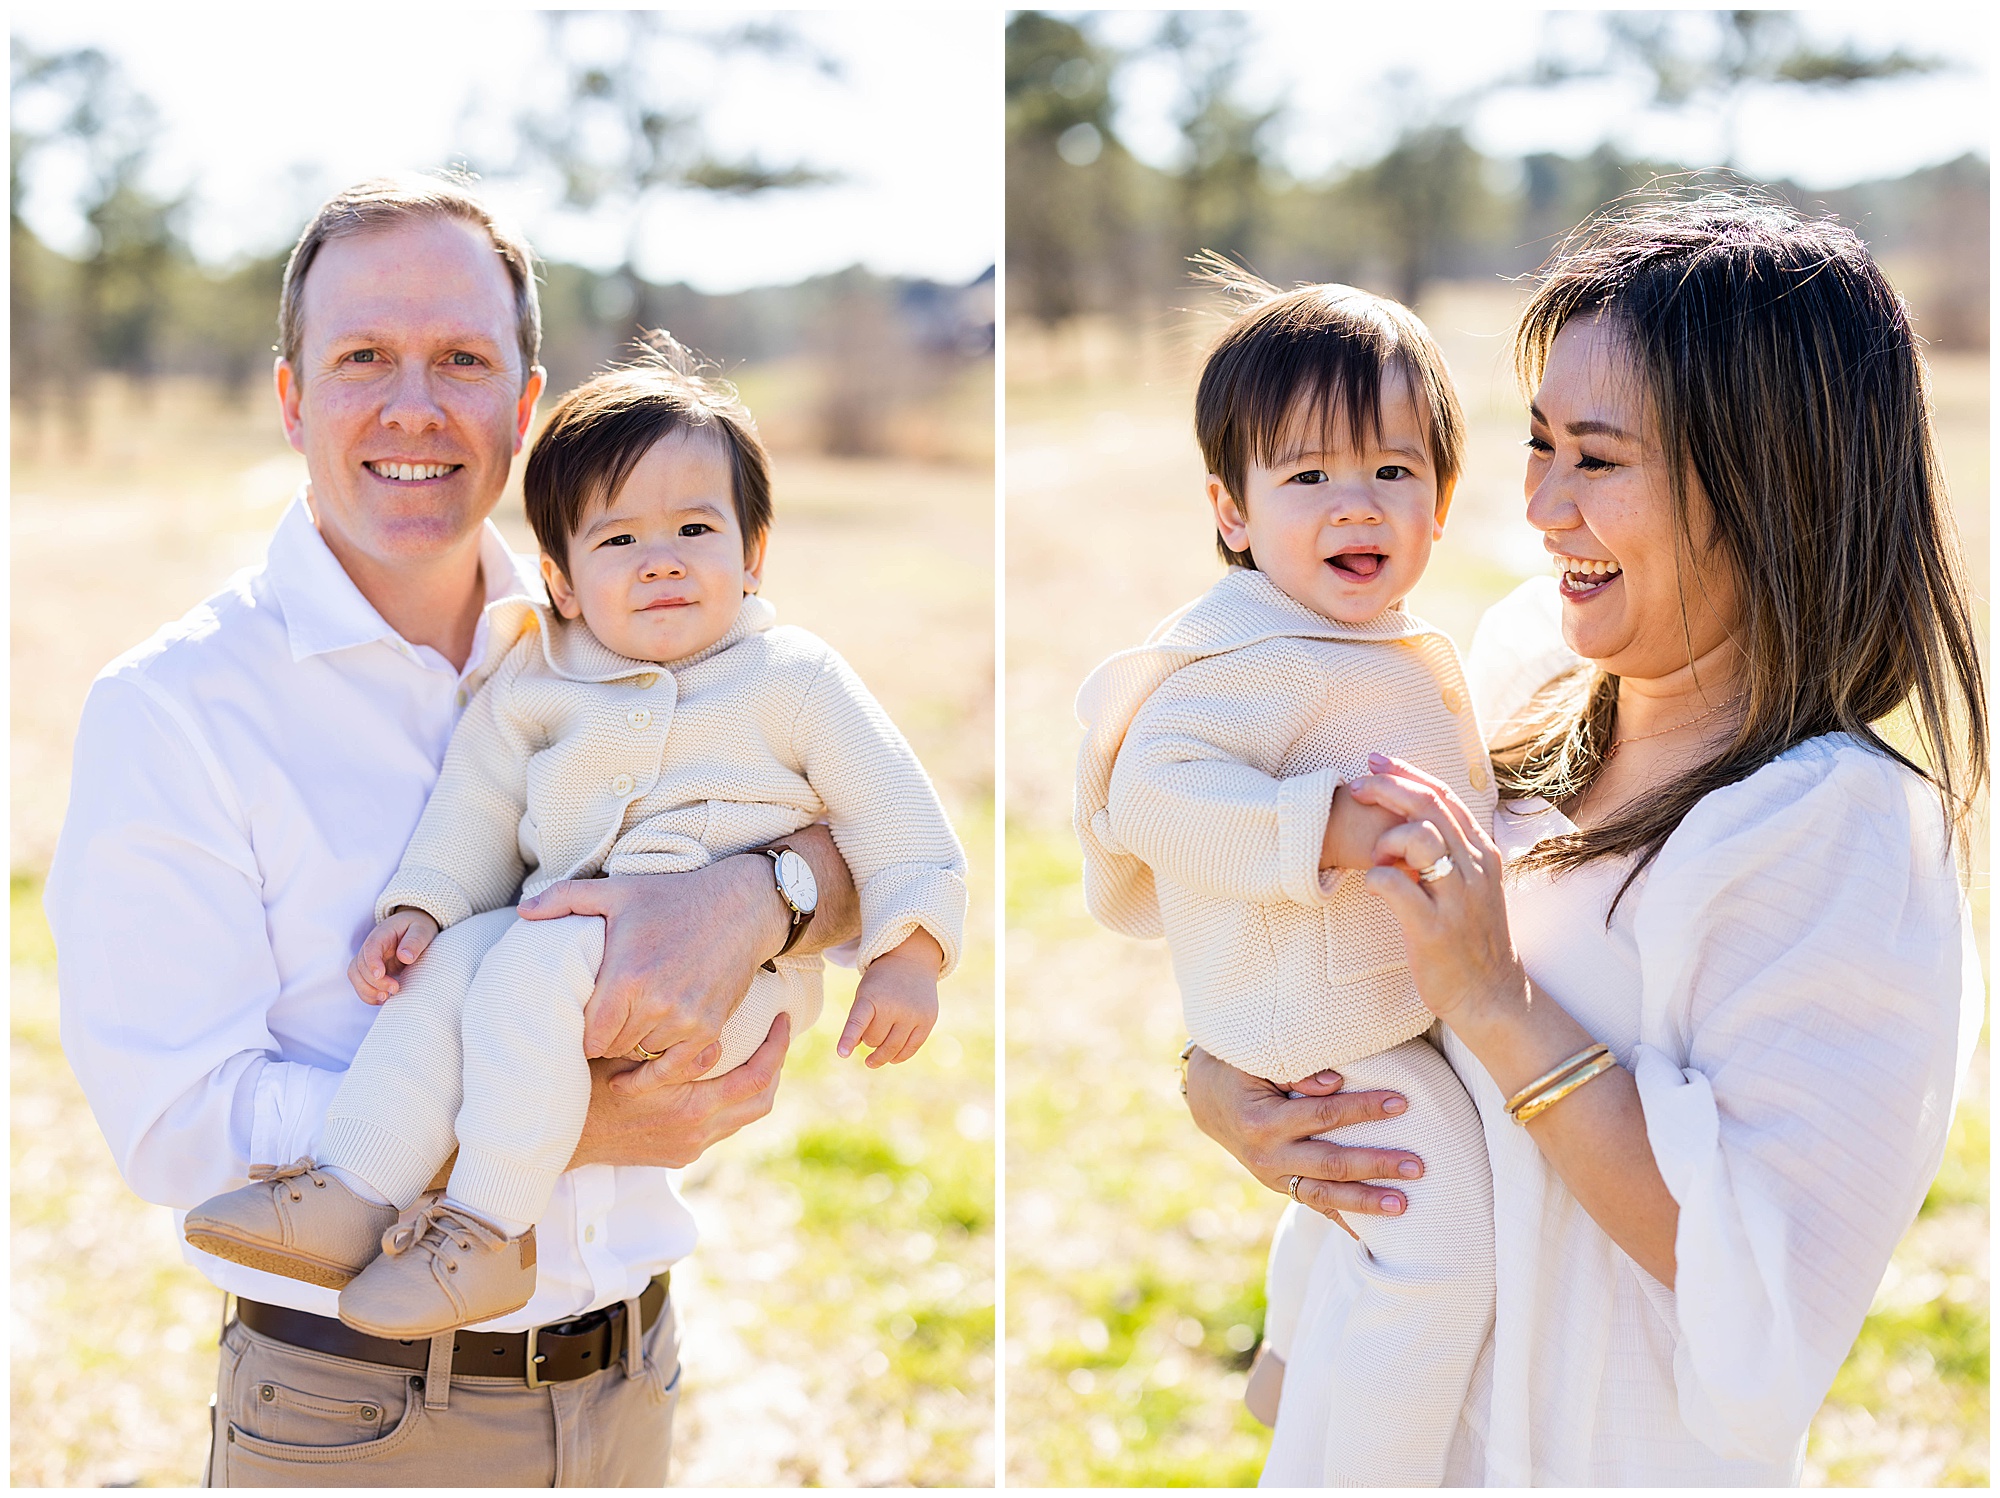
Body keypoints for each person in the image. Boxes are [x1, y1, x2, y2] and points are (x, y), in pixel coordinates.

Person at [47, 175, 863, 1486]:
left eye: (463, 360)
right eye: (365, 355)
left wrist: (767, 890)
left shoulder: (637, 633)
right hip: (355, 1410)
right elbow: (175, 1122)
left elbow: (852, 827)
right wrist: (574, 1124)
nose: (414, 405)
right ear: (293, 396)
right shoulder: (177, 707)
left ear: (526, 404)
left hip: (630, 1380)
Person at [1183, 192, 1986, 1485]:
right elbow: (1308, 917)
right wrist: (1220, 1081)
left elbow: (1761, 1284)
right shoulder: (1507, 671)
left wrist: (1499, 1002)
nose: (1541, 504)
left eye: (1597, 459)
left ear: (1767, 481)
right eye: (1539, 442)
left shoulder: (1848, 837)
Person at [183, 341, 968, 1340]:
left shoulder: (793, 676)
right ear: (558, 580)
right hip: (545, 949)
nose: (664, 559)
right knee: (460, 964)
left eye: (695, 527)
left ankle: (483, 1229)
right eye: (619, 541)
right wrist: (422, 906)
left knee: (523, 963)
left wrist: (910, 955)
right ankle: (353, 1182)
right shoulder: (538, 677)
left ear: (754, 553)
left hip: (715, 992)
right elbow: (473, 805)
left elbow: (898, 817)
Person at [1073, 271, 1495, 1486]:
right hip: (1317, 1033)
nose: (1352, 504)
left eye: (1391, 471)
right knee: (1438, 1244)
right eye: (1306, 475)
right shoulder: (1248, 651)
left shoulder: (1368, 640)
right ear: (1232, 508)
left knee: (1356, 1214)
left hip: (1372, 1017)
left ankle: (1294, 1362)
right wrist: (1321, 829)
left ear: (1440, 499)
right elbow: (1149, 791)